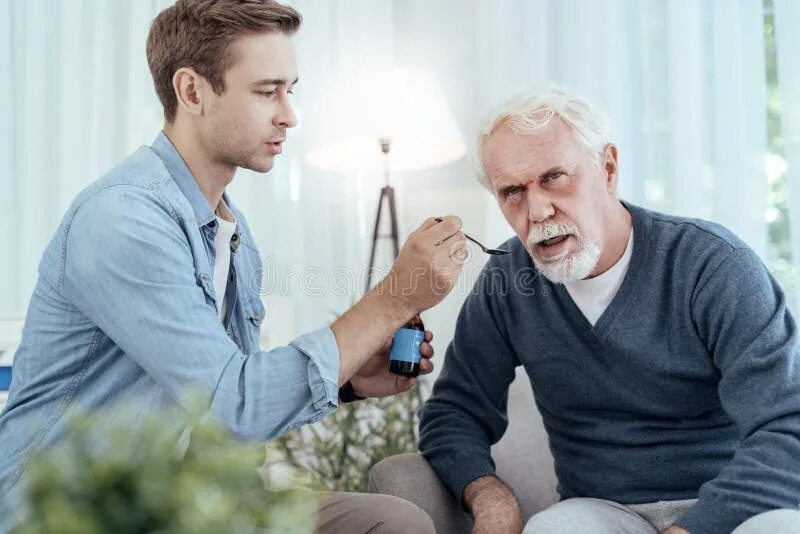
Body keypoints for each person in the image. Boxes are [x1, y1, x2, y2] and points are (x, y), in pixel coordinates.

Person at [0, 1, 467, 532]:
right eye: (268, 91)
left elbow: (227, 404)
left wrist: (348, 382)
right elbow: (234, 405)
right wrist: (395, 297)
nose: (289, 114)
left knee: (391, 521)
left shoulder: (229, 231)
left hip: (185, 502)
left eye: (291, 90)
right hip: (78, 511)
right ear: (192, 91)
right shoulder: (123, 218)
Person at [418, 84, 800, 534]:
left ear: (608, 168)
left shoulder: (713, 265)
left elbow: (787, 427)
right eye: (513, 192)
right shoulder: (506, 283)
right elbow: (453, 413)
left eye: (554, 177)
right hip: (600, 511)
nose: (537, 209)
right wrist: (491, 499)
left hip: (730, 506)